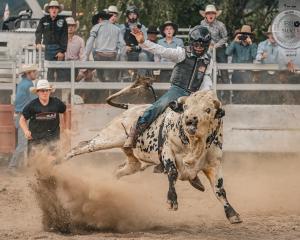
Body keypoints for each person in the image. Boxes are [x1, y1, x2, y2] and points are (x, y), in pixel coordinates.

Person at [124, 25, 213, 149]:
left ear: (207, 45)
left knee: (206, 115)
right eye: (196, 45)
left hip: (195, 95)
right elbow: (162, 50)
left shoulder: (208, 60)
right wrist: (144, 42)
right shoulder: (181, 53)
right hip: (178, 90)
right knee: (160, 105)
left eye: (202, 46)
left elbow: (206, 78)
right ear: (192, 43)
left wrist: (208, 95)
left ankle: (205, 145)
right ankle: (135, 131)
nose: (199, 48)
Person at [19, 79, 66, 156]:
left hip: (53, 139)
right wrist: (26, 131)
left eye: (47, 90)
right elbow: (22, 120)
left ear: (50, 91)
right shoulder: (32, 105)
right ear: (37, 92)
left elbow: (65, 111)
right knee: (34, 163)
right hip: (36, 139)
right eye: (42, 91)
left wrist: (65, 126)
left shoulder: (56, 103)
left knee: (54, 162)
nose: (45, 93)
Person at [8, 64, 38, 172]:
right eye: (34, 71)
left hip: (20, 115)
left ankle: (19, 165)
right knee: (23, 143)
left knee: (24, 142)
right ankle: (12, 167)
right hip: (23, 116)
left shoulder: (23, 84)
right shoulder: (28, 85)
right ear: (29, 73)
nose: (36, 73)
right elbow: (35, 101)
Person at [85, 10, 125, 82]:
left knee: (94, 50)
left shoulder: (96, 27)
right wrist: (121, 59)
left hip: (99, 56)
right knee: (111, 76)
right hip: (112, 56)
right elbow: (122, 45)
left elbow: (89, 43)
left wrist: (85, 57)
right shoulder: (117, 29)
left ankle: (100, 78)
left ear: (100, 19)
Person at [199, 4, 229, 102]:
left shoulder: (220, 25)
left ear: (215, 15)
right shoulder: (202, 24)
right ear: (205, 15)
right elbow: (200, 35)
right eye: (208, 13)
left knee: (224, 72)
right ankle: (207, 97)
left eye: (212, 13)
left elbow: (225, 37)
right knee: (206, 71)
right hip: (206, 50)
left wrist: (216, 45)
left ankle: (226, 98)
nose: (210, 15)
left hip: (219, 49)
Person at [35, 1, 67, 82]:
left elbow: (64, 36)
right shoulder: (43, 20)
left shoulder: (63, 21)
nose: (54, 10)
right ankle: (50, 92)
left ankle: (59, 92)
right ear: (48, 9)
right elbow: (38, 32)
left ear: (58, 10)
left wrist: (62, 51)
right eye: (52, 8)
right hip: (47, 49)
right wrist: (38, 43)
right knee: (49, 72)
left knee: (61, 73)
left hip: (58, 49)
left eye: (56, 8)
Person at [226, 25, 257, 103]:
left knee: (247, 94)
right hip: (237, 73)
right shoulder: (235, 44)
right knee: (236, 94)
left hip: (248, 73)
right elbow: (227, 52)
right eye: (243, 34)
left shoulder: (253, 45)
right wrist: (234, 41)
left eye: (247, 34)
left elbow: (255, 56)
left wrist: (251, 44)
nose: (245, 36)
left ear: (250, 35)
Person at [64, 17, 85, 81]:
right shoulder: (60, 40)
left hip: (75, 67)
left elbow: (83, 56)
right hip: (63, 66)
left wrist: (82, 71)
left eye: (72, 26)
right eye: (68, 26)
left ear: (75, 27)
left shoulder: (80, 40)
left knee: (74, 86)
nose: (70, 27)